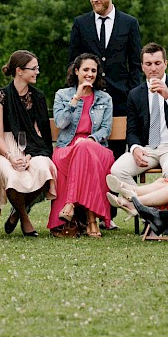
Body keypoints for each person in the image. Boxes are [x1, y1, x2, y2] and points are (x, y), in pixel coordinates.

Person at [0, 50, 56, 236]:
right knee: (11, 173)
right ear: (19, 71)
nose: (37, 72)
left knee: (44, 168)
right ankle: (24, 217)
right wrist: (10, 156)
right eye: (34, 68)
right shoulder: (0, 97)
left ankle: (17, 211)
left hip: (31, 146)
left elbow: (41, 133)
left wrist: (31, 154)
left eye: (38, 68)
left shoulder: (38, 97)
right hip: (5, 147)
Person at [109, 42, 168, 186]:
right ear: (142, 66)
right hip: (147, 148)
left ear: (165, 64)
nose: (153, 68)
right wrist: (135, 148)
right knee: (117, 170)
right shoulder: (134, 94)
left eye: (157, 63)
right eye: (148, 63)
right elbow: (132, 130)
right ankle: (141, 205)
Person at [48, 53, 115, 238]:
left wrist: (90, 140)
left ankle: (70, 204)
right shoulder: (62, 95)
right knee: (81, 150)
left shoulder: (104, 98)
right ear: (76, 71)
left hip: (97, 147)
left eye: (94, 70)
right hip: (67, 149)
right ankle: (91, 219)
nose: (90, 74)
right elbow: (61, 123)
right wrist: (76, 98)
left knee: (84, 147)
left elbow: (106, 129)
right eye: (86, 69)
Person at [68, 0, 141, 121]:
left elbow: (135, 65)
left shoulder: (130, 23)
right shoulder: (80, 24)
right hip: (88, 101)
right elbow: (73, 63)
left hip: (121, 102)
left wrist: (132, 96)